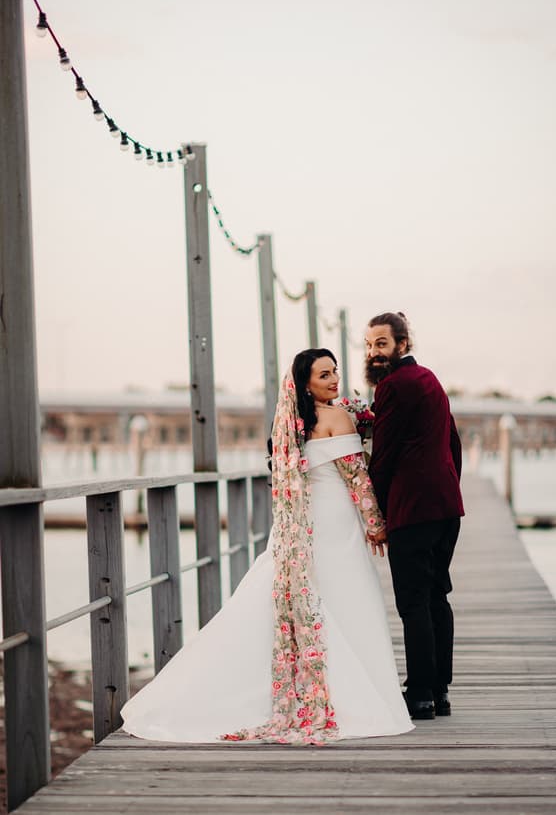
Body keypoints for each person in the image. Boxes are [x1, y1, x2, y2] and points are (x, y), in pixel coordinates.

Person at [121, 348, 413, 744]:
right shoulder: (338, 417)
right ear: (304, 383)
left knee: (311, 599)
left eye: (335, 372)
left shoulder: (288, 424)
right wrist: (377, 526)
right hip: (334, 524)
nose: (333, 380)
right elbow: (356, 480)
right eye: (324, 375)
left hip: (296, 528)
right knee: (348, 600)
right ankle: (354, 698)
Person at [365, 312, 464, 720]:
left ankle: (420, 692)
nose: (373, 353)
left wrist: (376, 511)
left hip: (412, 510)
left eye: (382, 344)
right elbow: (453, 442)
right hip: (445, 507)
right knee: (437, 595)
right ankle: (440, 690)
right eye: (369, 345)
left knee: (413, 602)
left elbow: (384, 457)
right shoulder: (430, 380)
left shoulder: (393, 386)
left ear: (403, 344)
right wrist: (449, 487)